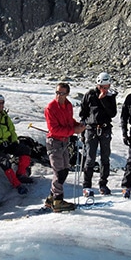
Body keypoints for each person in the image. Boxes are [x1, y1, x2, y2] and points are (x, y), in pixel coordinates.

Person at [43, 83, 85, 212]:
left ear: (67, 94)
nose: (58, 96)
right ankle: (58, 200)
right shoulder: (50, 108)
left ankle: (51, 198)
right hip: (54, 142)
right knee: (59, 172)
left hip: (64, 142)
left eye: (61, 93)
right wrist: (73, 130)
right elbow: (54, 129)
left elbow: (68, 121)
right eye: (57, 92)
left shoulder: (68, 105)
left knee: (65, 170)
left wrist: (78, 125)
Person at [0, 94, 33, 195]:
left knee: (25, 150)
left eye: (2, 103)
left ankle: (21, 174)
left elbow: (12, 130)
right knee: (5, 162)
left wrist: (13, 141)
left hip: (6, 143)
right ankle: (17, 184)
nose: (1, 105)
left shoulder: (5, 116)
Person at [79, 72, 118, 196]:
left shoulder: (111, 96)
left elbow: (112, 113)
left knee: (105, 158)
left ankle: (103, 184)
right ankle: (87, 185)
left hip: (105, 129)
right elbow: (83, 113)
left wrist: (105, 100)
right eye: (102, 87)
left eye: (106, 87)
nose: (104, 89)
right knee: (90, 158)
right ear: (97, 85)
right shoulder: (90, 95)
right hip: (91, 129)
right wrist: (83, 129)